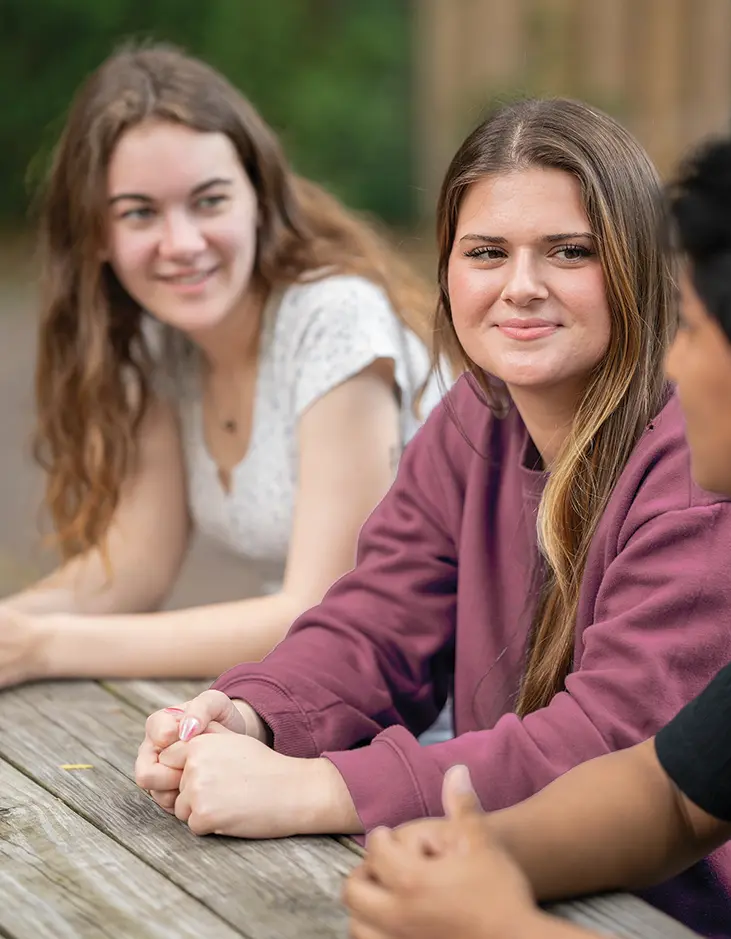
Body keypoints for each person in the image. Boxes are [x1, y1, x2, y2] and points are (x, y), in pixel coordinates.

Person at [135, 98, 731, 938]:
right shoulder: (476, 414)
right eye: (487, 252)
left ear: (635, 265)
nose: (521, 286)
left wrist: (316, 788)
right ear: (447, 269)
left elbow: (614, 751)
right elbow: (376, 620)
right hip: (490, 878)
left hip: (671, 915)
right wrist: (249, 712)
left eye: (570, 252)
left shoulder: (710, 470)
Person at [342, 104, 731, 939]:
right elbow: (671, 791)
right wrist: (469, 851)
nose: (671, 360)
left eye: (696, 331)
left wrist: (497, 925)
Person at [0, 43, 440, 687]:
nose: (182, 244)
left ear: (258, 199)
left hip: (452, 709)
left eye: (209, 201)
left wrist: (42, 648)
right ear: (97, 234)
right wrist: (16, 625)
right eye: (140, 213)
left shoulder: (335, 321)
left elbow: (324, 612)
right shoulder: (163, 342)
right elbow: (133, 568)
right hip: (332, 696)